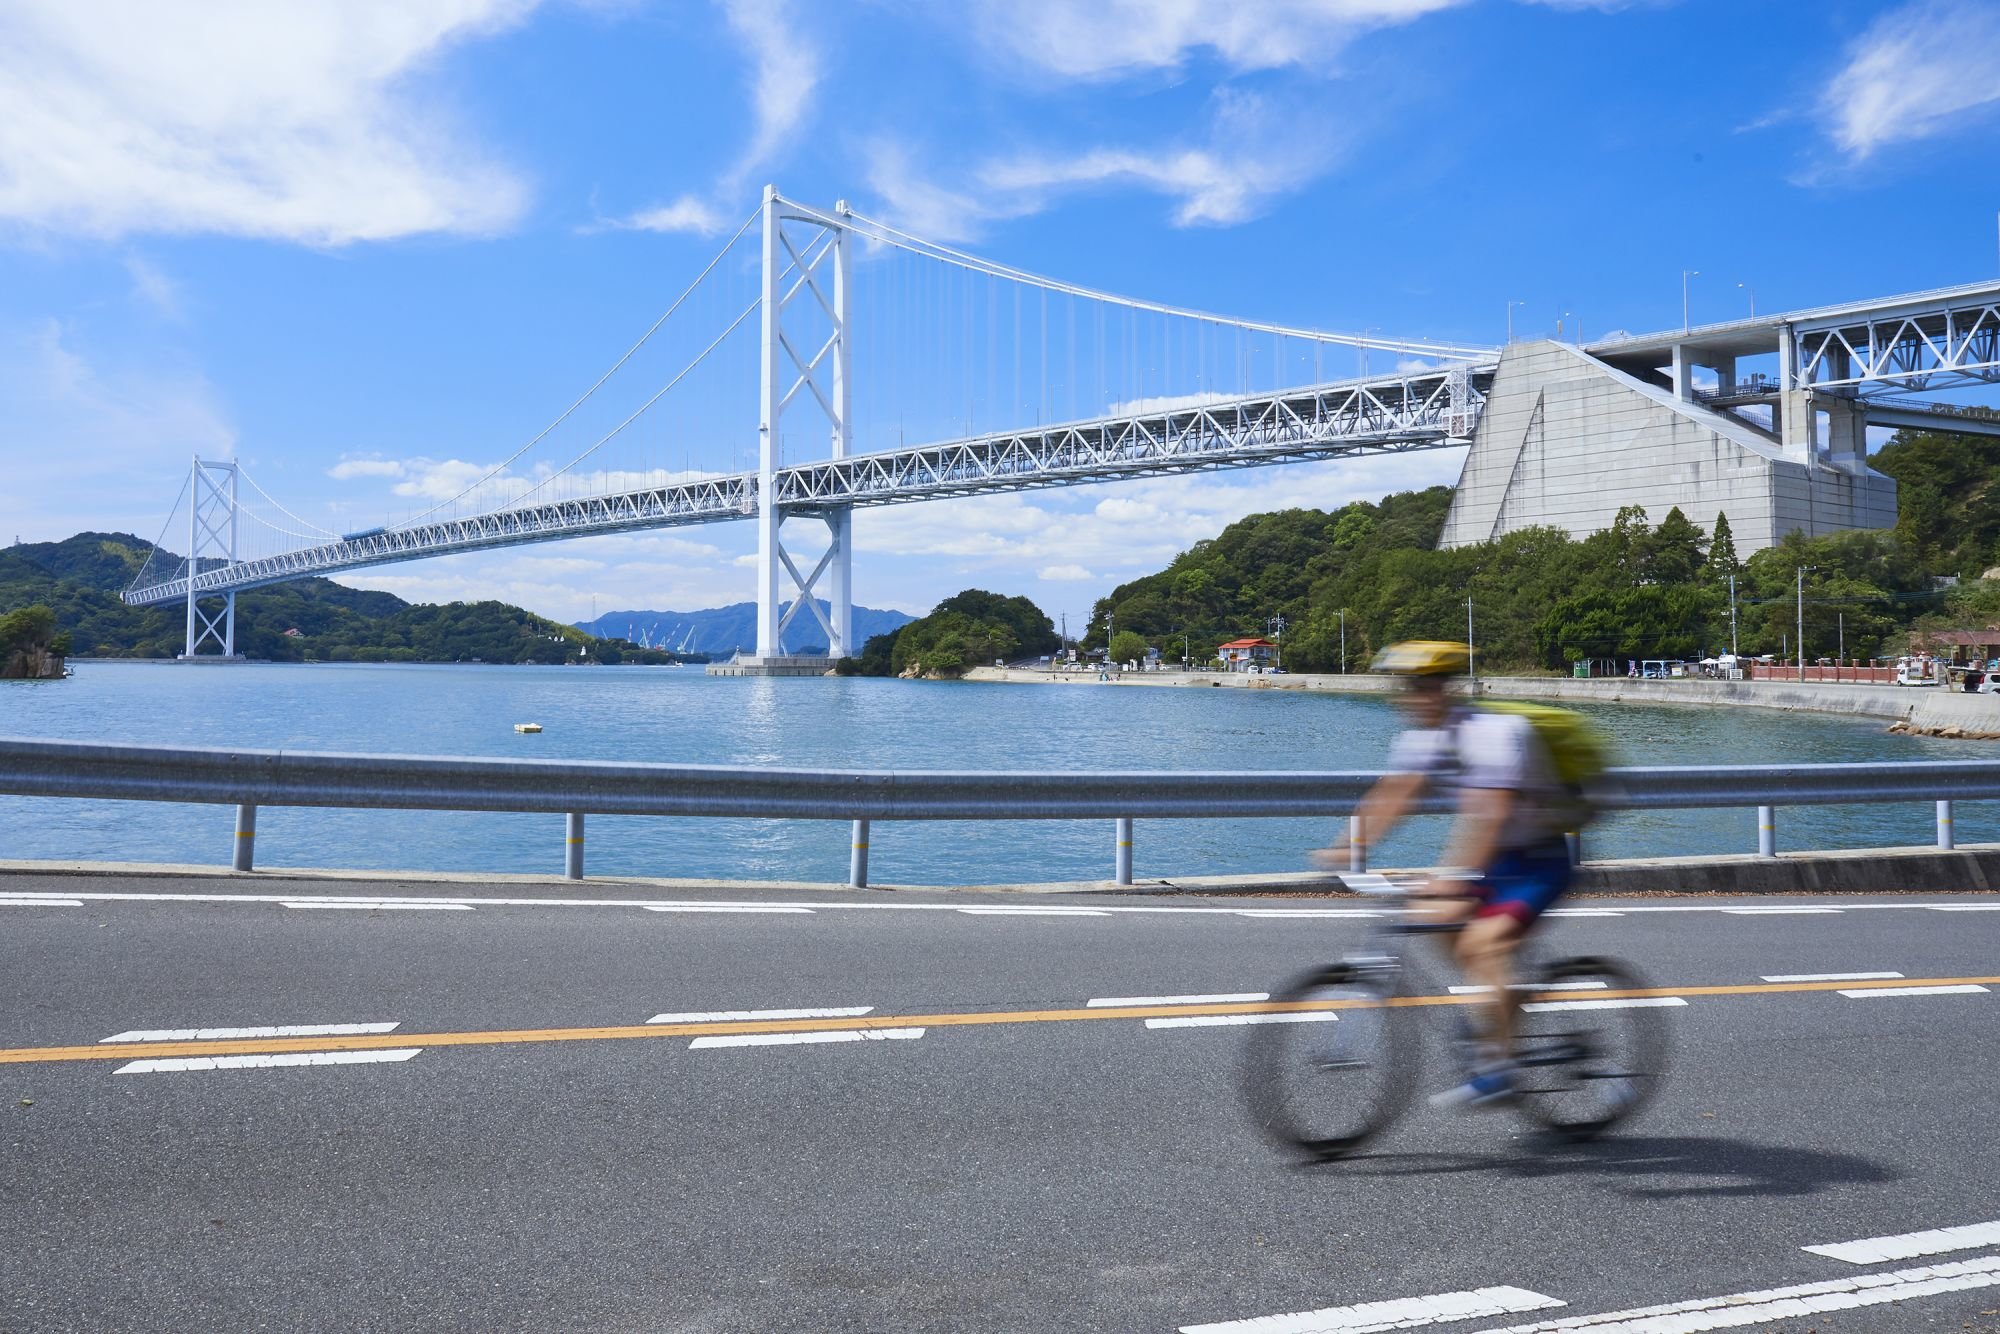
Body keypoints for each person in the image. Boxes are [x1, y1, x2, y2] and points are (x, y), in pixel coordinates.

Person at [1315, 640, 1577, 1108]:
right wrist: (1345, 848)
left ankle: (1498, 1070)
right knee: (1431, 919)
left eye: (1421, 687)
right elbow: (1392, 797)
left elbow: (1491, 814)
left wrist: (1454, 876)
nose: (1410, 698)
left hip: (1539, 858)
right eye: (1405, 688)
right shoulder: (1420, 740)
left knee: (1482, 943)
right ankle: (1502, 1001)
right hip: (1495, 859)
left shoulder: (1494, 734)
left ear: (1445, 689)